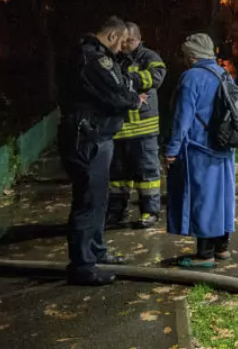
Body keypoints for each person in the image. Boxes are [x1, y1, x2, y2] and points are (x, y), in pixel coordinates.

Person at [59, 16, 143, 286]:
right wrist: (134, 99)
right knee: (89, 201)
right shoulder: (94, 59)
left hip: (93, 135)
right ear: (112, 37)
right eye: (120, 43)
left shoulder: (87, 55)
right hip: (89, 137)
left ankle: (96, 252)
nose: (120, 49)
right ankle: (83, 266)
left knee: (97, 199)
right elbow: (118, 93)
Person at [165, 33, 236, 267]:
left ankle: (204, 255)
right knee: (223, 197)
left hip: (200, 149)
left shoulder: (191, 77)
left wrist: (172, 149)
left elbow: (182, 118)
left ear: (192, 56)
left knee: (203, 199)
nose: (184, 60)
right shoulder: (224, 74)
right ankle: (222, 248)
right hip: (224, 146)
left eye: (186, 56)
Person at [107, 22, 167, 228]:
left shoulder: (149, 57)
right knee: (118, 177)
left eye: (129, 41)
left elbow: (157, 77)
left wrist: (126, 79)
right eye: (123, 41)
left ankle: (150, 212)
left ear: (139, 39)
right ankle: (116, 213)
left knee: (147, 173)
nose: (125, 45)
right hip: (119, 129)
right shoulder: (114, 58)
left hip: (144, 128)